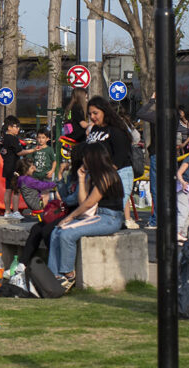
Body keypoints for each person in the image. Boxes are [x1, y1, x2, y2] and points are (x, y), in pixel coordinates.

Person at [47, 142, 125, 292]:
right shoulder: (93, 176)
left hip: (110, 218)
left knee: (66, 234)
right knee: (56, 231)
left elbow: (89, 203)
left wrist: (69, 217)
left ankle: (68, 274)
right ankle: (54, 275)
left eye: (86, 158)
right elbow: (82, 202)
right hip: (99, 216)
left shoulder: (107, 175)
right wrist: (82, 179)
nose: (83, 161)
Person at [85, 96, 139, 230]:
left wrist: (106, 174)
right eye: (90, 114)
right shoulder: (95, 130)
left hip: (118, 174)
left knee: (113, 209)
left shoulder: (116, 130)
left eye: (95, 113)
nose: (92, 117)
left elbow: (120, 156)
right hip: (97, 174)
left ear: (105, 111)